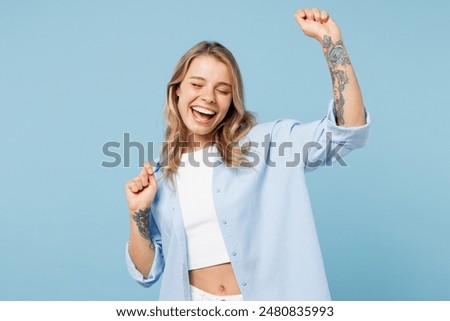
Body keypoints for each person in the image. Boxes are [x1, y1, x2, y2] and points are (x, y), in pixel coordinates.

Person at [125, 8, 370, 301]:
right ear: (176, 90)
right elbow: (146, 273)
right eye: (197, 84)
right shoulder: (160, 175)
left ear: (232, 100)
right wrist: (138, 212)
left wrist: (332, 44)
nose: (208, 97)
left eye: (223, 90)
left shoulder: (269, 144)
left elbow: (346, 131)